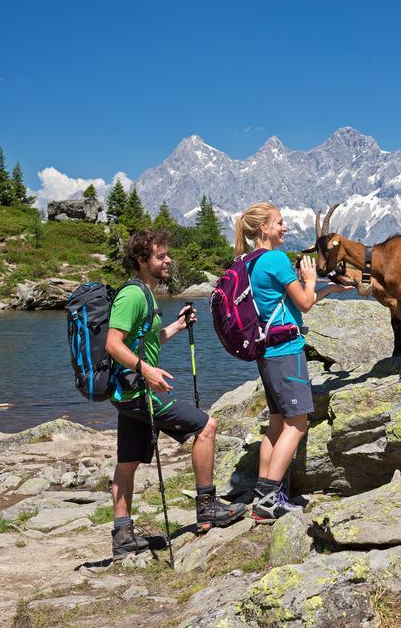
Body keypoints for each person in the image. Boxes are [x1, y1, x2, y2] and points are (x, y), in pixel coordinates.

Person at [104, 229, 245, 558]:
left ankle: (122, 537)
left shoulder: (148, 295)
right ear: (141, 261)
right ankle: (207, 506)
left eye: (167, 255)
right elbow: (114, 344)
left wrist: (177, 327)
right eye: (160, 256)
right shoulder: (133, 295)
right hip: (140, 390)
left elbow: (147, 342)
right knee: (206, 426)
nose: (168, 260)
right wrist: (147, 370)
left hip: (128, 391)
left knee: (127, 463)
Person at [234, 204, 351, 523]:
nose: (284, 228)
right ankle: (270, 499)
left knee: (276, 424)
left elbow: (291, 302)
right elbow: (304, 303)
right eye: (280, 223)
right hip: (286, 351)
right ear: (264, 229)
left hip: (266, 351)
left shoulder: (247, 261)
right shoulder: (274, 259)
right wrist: (312, 279)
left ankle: (263, 494)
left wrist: (328, 288)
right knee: (297, 424)